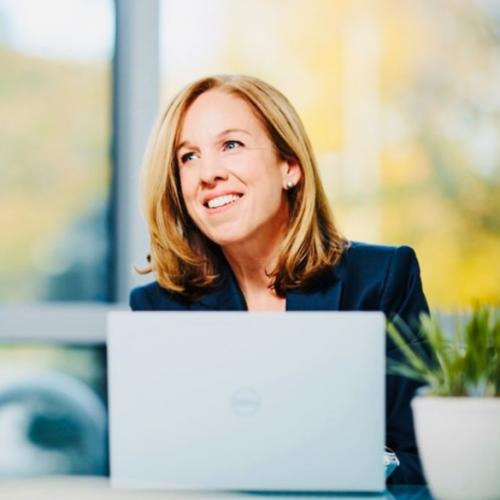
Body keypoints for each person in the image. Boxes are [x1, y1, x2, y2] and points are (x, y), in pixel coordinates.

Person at [130, 74, 430, 485]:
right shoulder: (158, 309)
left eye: (231, 145)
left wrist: (346, 466)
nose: (207, 173)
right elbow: (152, 466)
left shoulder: (381, 279)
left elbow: (422, 459)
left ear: (290, 166)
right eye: (189, 156)